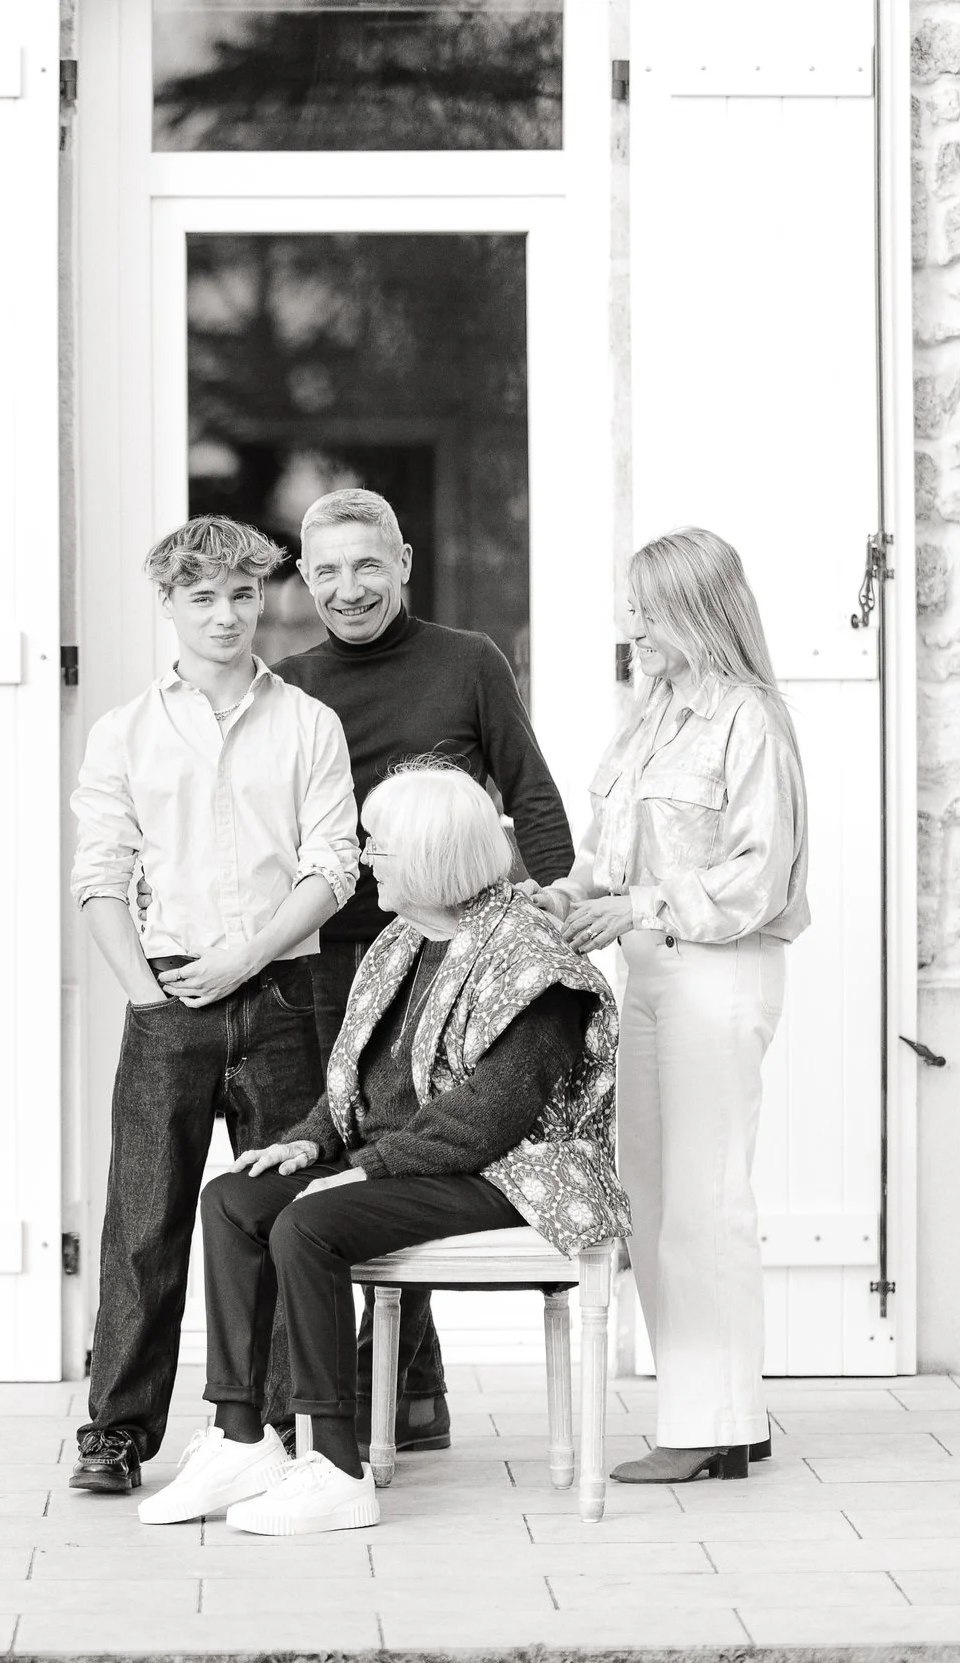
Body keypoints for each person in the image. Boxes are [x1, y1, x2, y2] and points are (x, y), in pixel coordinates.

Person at [139, 764, 626, 1534]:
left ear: (432, 857)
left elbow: (487, 1119)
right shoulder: (405, 940)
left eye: (380, 846)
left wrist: (360, 1168)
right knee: (233, 1199)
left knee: (308, 1224)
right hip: (413, 1157)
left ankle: (334, 1465)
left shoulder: (534, 957)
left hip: (515, 1172)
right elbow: (359, 1080)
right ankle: (240, 1438)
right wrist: (307, 1145)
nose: (366, 859)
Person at [278, 487, 576, 1456]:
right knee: (349, 1166)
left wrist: (553, 916)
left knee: (425, 1152)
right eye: (325, 570)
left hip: (449, 956)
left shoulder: (467, 662)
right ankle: (405, 1392)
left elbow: (531, 797)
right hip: (332, 963)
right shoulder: (289, 685)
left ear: (403, 559)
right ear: (303, 575)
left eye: (367, 564)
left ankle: (385, 1397)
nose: (348, 587)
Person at [67, 516, 360, 1495]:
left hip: (283, 989)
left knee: (280, 1215)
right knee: (143, 1223)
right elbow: (98, 875)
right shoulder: (126, 732)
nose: (227, 615)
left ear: (264, 597)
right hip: (171, 999)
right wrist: (146, 992)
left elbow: (333, 866)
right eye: (204, 597)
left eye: (243, 595)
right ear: (172, 604)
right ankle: (115, 1433)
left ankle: (272, 1427)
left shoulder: (308, 723)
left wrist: (247, 953)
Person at [535, 527, 806, 1484]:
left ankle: (718, 1424)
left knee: (705, 1199)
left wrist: (638, 902)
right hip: (648, 973)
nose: (632, 624)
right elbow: (610, 856)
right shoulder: (650, 716)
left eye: (648, 607)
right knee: (651, 1198)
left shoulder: (749, 719)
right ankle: (715, 1412)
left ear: (698, 610)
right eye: (631, 604)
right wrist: (568, 895)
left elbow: (757, 879)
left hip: (718, 971)